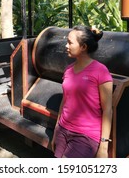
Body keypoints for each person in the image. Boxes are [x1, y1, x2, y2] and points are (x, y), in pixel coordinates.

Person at [51, 25, 113, 158]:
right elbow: (65, 100)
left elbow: (107, 110)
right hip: (63, 129)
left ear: (83, 47)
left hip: (85, 135)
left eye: (70, 42)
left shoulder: (100, 71)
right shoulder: (68, 69)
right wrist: (57, 129)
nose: (66, 46)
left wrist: (103, 146)